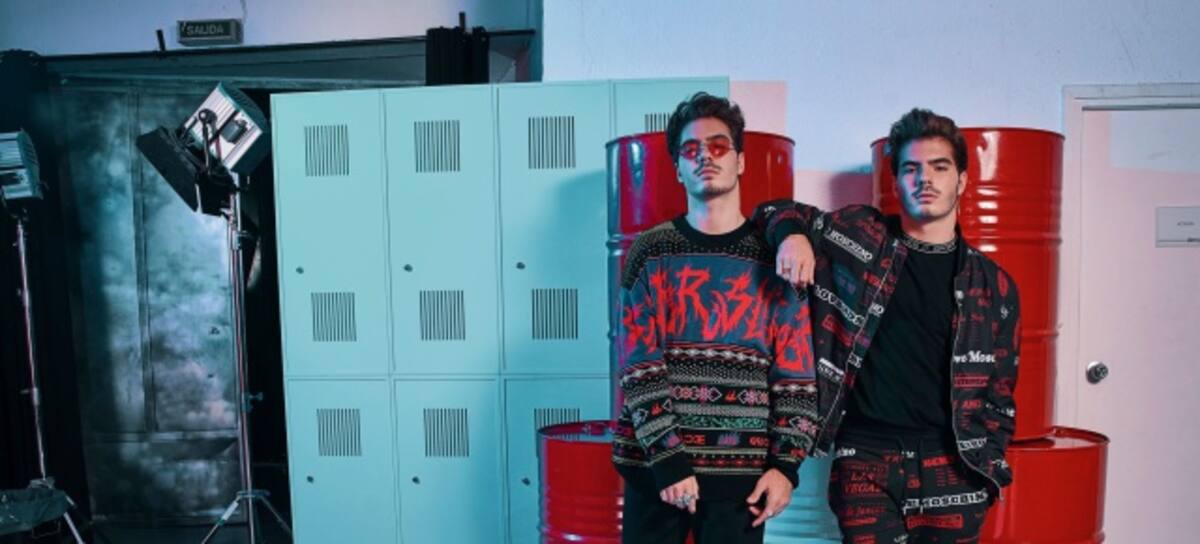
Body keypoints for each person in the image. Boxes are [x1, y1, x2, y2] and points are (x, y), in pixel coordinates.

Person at [753, 108, 1020, 542]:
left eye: (939, 167)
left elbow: (1001, 393)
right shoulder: (860, 236)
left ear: (962, 181)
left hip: (954, 466)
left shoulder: (993, 286)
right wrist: (792, 236)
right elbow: (772, 210)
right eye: (911, 169)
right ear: (895, 182)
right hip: (865, 459)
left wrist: (985, 474)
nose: (924, 179)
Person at [612, 92, 819, 544]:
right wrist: (668, 459)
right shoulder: (650, 251)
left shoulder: (775, 257)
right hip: (655, 471)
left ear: (740, 161)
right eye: (691, 150)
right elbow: (637, 364)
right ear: (678, 168)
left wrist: (786, 466)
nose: (705, 156)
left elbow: (797, 374)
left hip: (741, 480)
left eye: (719, 145)